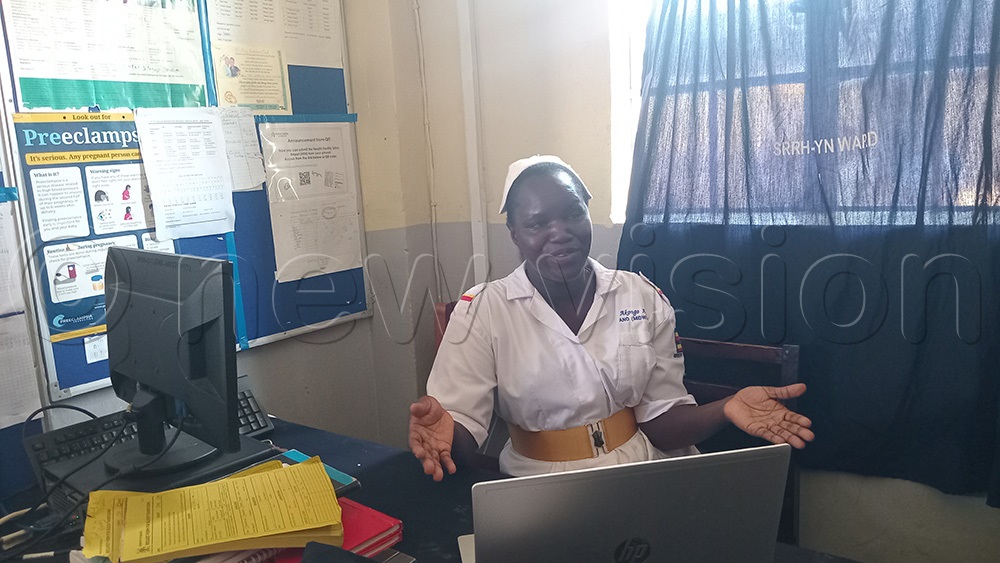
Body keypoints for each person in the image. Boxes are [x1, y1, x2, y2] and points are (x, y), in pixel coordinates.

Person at [409, 155, 815, 481]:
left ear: (588, 212)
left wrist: (727, 407)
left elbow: (662, 420)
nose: (560, 231)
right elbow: (460, 433)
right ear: (515, 233)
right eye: (538, 223)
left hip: (642, 472)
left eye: (572, 213)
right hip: (539, 487)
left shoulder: (640, 296)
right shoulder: (483, 311)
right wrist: (445, 432)